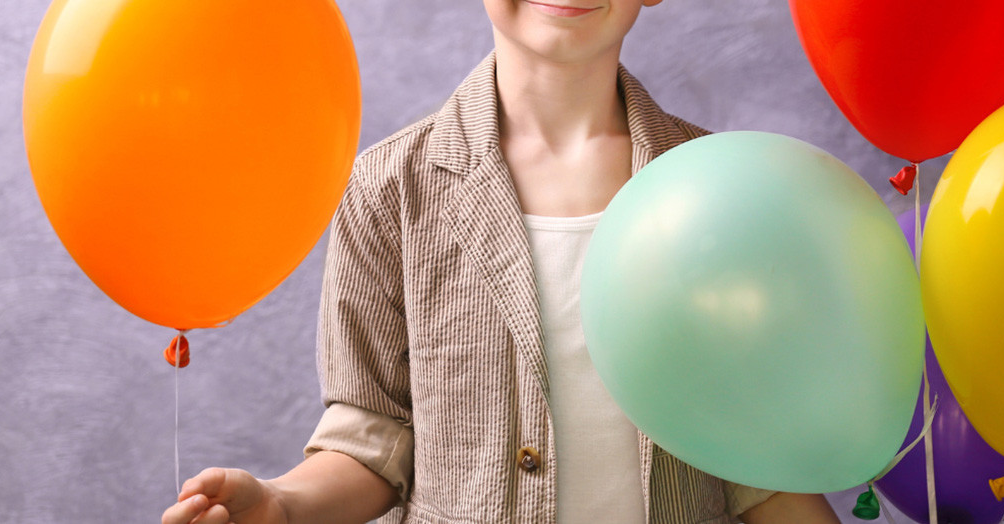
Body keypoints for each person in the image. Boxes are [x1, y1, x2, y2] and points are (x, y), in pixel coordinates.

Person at [160, 1, 843, 522]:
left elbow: (759, 463)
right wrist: (281, 505)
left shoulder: (725, 192)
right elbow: (371, 438)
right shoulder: (388, 191)